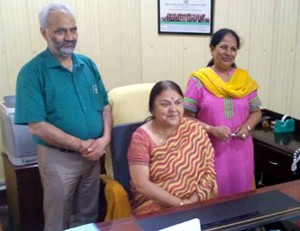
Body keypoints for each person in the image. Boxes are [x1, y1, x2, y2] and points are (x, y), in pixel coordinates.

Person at [14, 3, 112, 231]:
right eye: (60, 31)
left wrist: (104, 139)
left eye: (73, 29)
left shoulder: (87, 65)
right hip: (59, 160)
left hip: (93, 156)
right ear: (43, 32)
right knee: (58, 220)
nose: (69, 37)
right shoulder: (31, 72)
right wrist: (82, 145)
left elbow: (105, 106)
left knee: (88, 216)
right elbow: (37, 126)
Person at [184, 28, 262, 197]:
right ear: (212, 49)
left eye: (233, 49)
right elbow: (186, 117)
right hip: (210, 151)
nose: (228, 53)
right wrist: (211, 129)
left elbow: (256, 112)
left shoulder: (243, 79)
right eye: (223, 47)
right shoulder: (199, 80)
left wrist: (247, 127)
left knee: (243, 196)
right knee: (213, 197)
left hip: (242, 151)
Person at [127, 80, 218, 215]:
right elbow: (141, 184)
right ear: (152, 109)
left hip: (197, 198)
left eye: (178, 103)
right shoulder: (141, 138)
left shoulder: (195, 129)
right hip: (155, 202)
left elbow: (208, 170)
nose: (173, 109)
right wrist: (179, 204)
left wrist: (192, 201)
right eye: (165, 104)